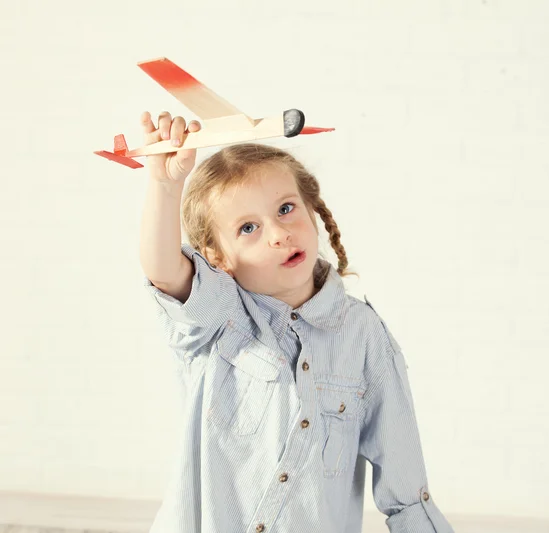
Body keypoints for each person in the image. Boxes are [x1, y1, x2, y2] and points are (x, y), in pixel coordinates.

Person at [139, 110, 455, 533]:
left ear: (310, 209)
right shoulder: (219, 316)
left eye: (286, 209)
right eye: (248, 227)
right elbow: (163, 270)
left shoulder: (362, 334)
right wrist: (165, 185)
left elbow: (406, 484)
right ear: (217, 258)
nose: (278, 233)